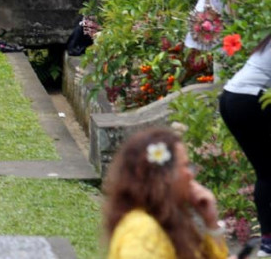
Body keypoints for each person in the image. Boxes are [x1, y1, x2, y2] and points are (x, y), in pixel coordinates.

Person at [103, 128, 227, 259]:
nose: (190, 174)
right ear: (164, 175)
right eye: (185, 166)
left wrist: (211, 222)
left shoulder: (167, 221)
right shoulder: (142, 231)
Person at [219, 32, 271, 258]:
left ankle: (268, 242)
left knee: (266, 171)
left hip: (231, 97)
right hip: (248, 99)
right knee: (267, 171)